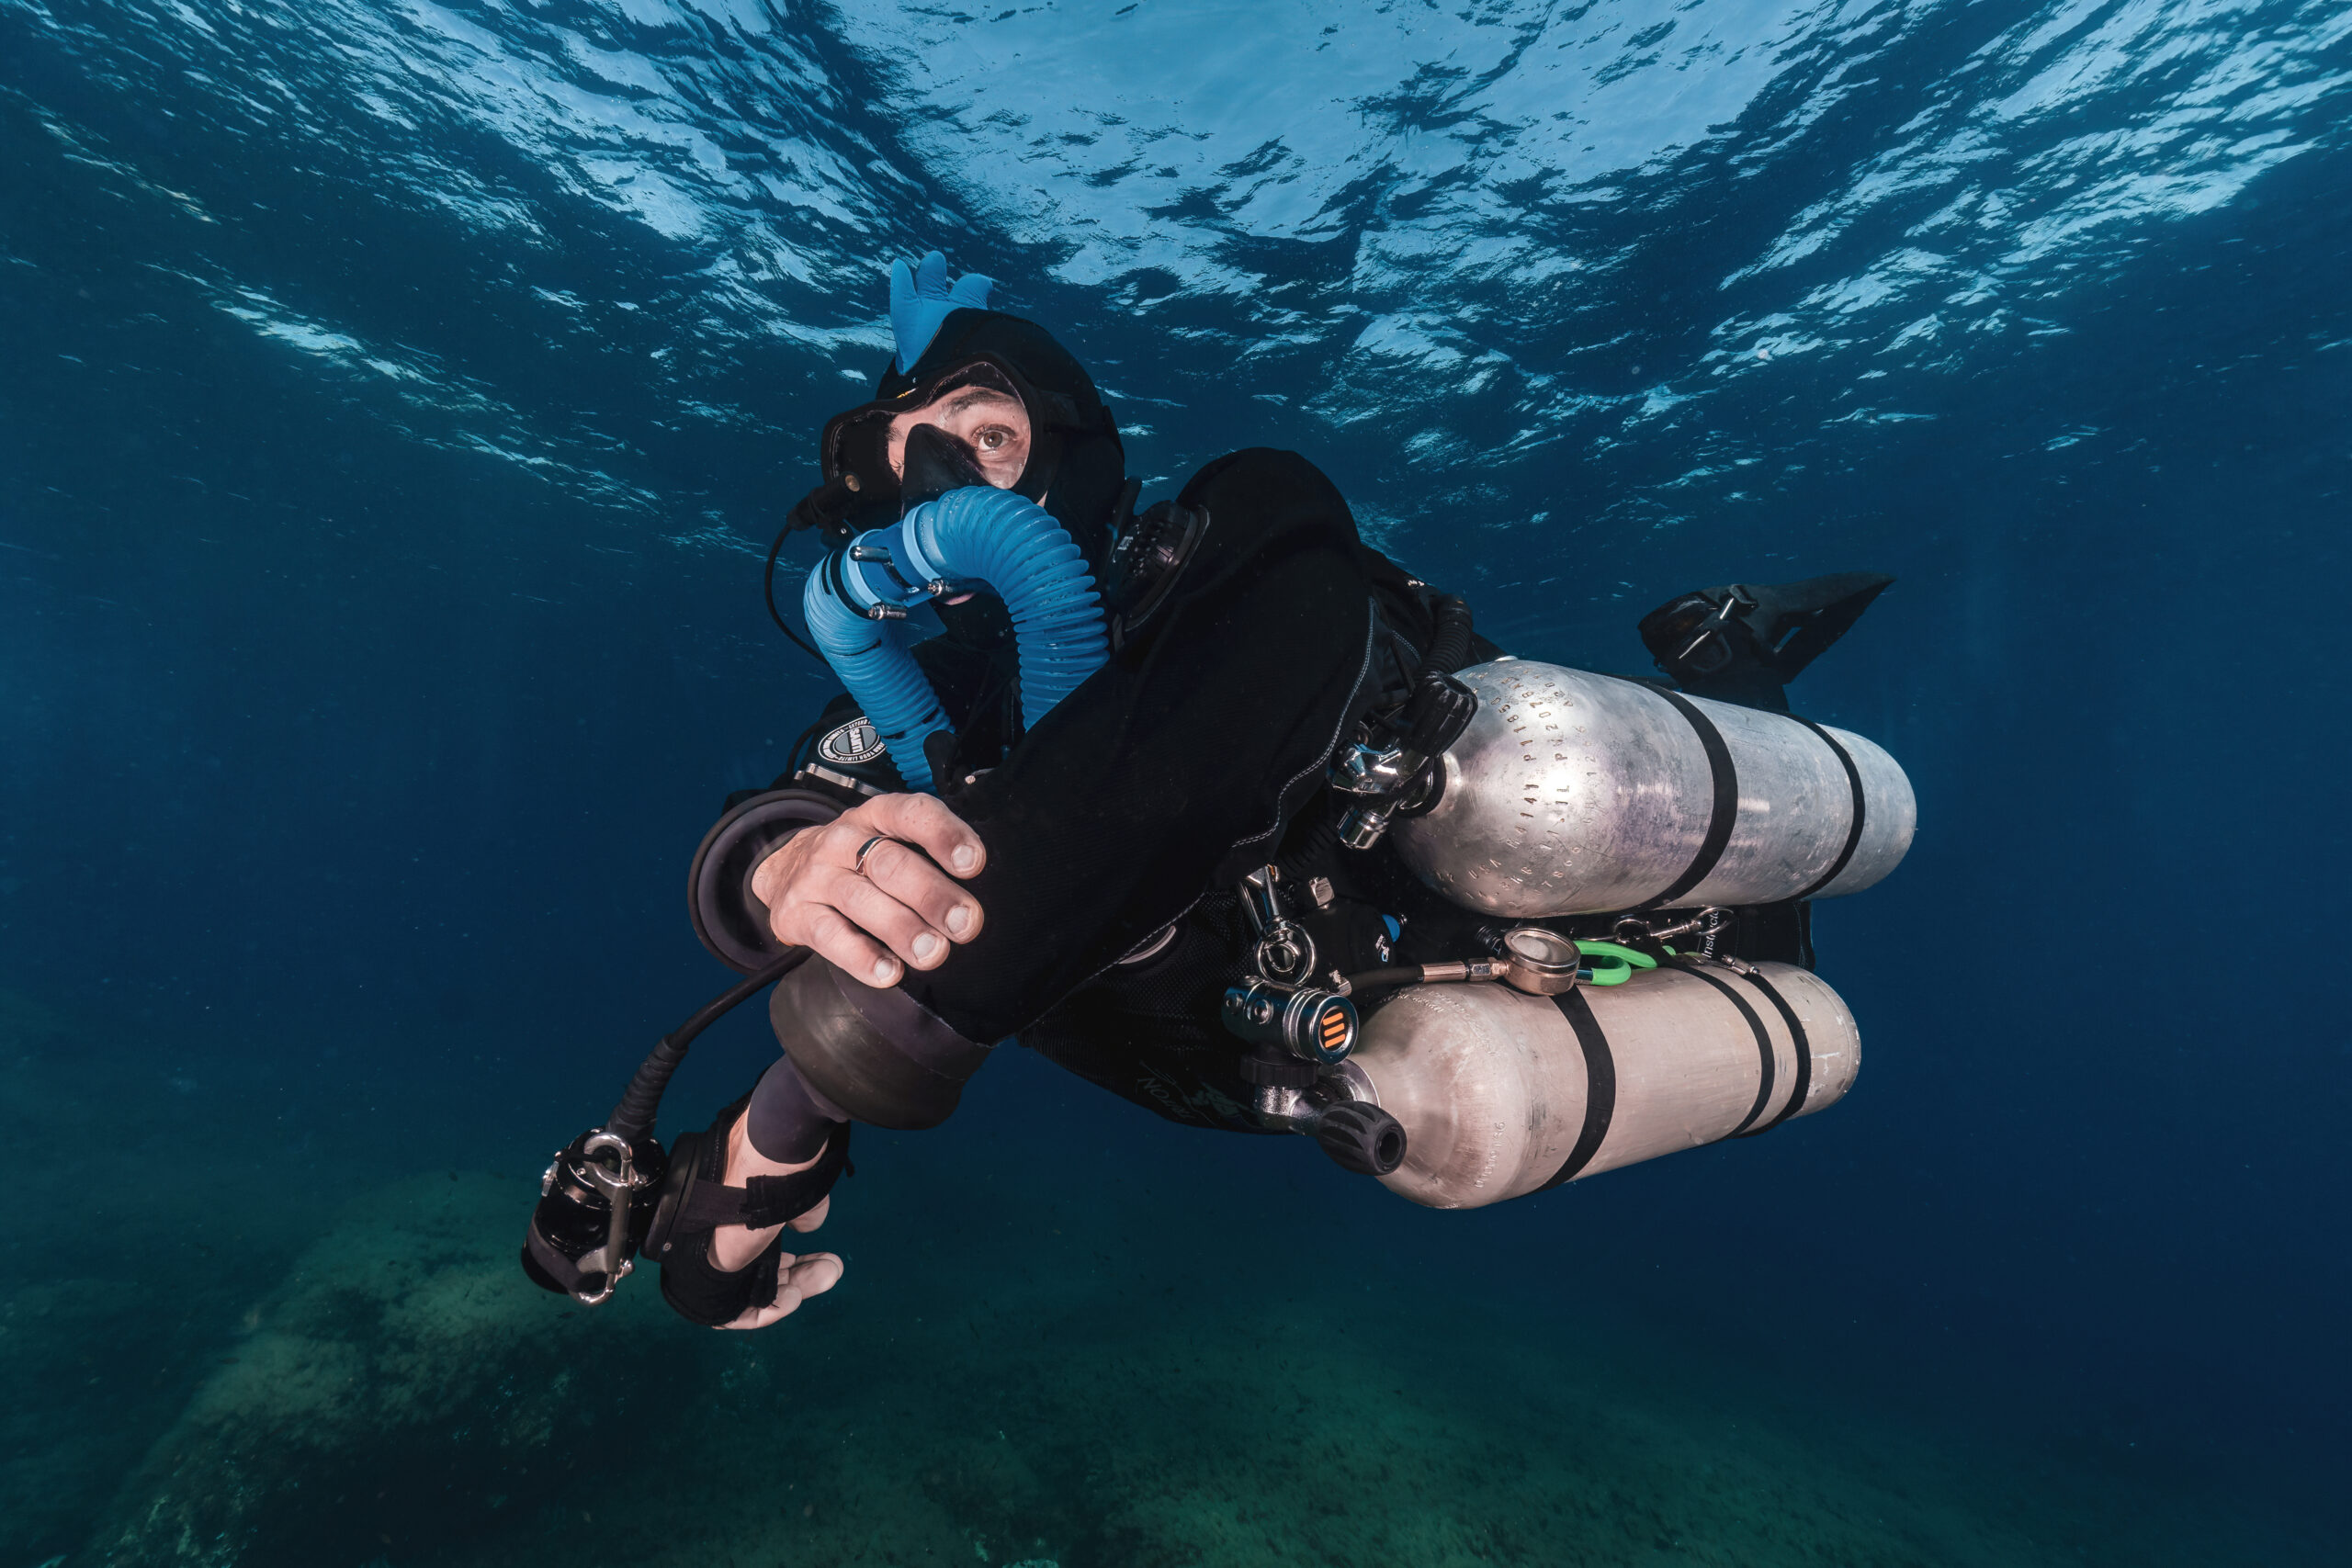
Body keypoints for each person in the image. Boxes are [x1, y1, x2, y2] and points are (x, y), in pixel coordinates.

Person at [655, 254, 1879, 1330]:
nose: (936, 485)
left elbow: (1178, 768)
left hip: (1529, 888)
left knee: (1753, 938)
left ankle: (1729, 660)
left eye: (987, 435)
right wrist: (783, 875)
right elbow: (787, 816)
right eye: (894, 460)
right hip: (1303, 1062)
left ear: (1074, 444)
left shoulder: (1248, 527)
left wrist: (803, 1098)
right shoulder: (939, 704)